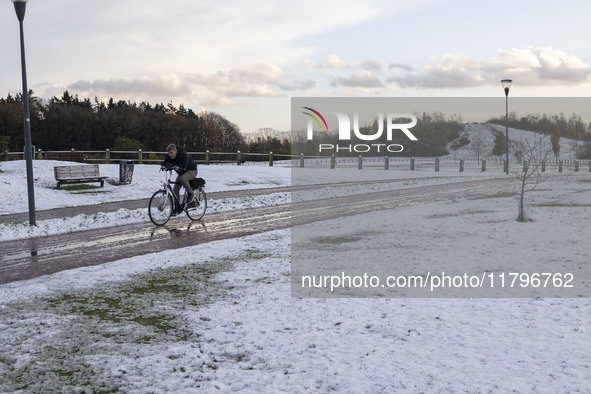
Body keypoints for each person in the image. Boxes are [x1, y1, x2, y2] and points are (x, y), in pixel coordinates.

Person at [162, 144, 198, 213]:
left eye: (171, 152)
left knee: (183, 179)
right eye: (168, 153)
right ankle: (177, 208)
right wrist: (164, 166)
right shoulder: (170, 156)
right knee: (175, 190)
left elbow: (184, 166)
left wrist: (176, 166)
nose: (170, 155)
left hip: (192, 170)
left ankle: (190, 193)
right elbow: (165, 162)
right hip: (182, 173)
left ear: (176, 151)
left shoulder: (183, 155)